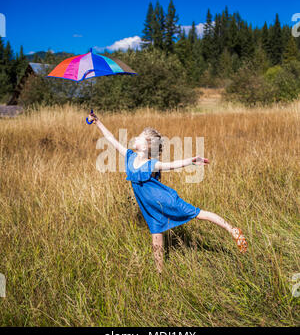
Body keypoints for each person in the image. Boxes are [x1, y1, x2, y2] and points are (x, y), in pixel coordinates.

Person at [88, 112, 248, 274]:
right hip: (149, 207)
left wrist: (191, 160)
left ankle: (233, 230)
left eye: (139, 137)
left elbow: (173, 165)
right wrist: (98, 122)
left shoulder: (152, 164)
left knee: (198, 214)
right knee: (156, 234)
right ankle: (160, 273)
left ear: (145, 146)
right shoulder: (129, 156)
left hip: (166, 201)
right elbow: (111, 139)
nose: (135, 138)